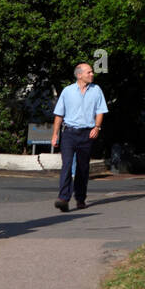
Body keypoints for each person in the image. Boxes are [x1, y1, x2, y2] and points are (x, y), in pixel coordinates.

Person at [51, 63, 108, 212]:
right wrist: (55, 134)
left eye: (92, 72)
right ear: (79, 75)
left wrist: (97, 127)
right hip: (69, 133)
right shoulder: (67, 91)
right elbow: (59, 114)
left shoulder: (96, 90)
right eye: (89, 72)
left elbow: (101, 110)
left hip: (87, 133)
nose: (92, 74)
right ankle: (63, 198)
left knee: (83, 167)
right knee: (67, 165)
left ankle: (80, 198)